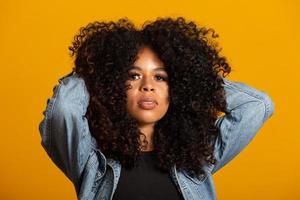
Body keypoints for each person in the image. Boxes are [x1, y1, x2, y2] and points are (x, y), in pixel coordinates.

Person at [38, 17, 275, 200]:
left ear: (178, 87)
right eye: (133, 75)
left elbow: (256, 105)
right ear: (113, 84)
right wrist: (96, 69)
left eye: (161, 77)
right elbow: (65, 108)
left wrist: (196, 76)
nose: (148, 86)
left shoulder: (196, 157)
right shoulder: (91, 160)